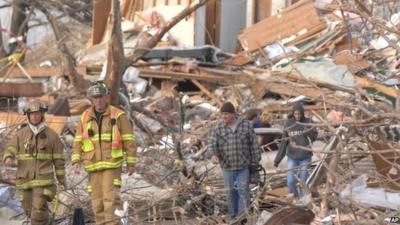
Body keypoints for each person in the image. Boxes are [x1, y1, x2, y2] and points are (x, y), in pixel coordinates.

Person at [71, 81, 137, 225]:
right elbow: (78, 141)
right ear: (92, 99)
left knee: (110, 201)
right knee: (97, 203)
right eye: (95, 97)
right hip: (93, 166)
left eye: (101, 96)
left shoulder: (118, 115)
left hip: (111, 165)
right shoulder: (85, 117)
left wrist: (131, 163)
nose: (99, 100)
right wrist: (76, 160)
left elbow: (129, 140)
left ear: (107, 97)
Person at [3, 100, 65, 225]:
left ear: (42, 114)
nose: (34, 116)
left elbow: (59, 159)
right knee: (29, 209)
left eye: (37, 114)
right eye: (32, 114)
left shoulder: (52, 136)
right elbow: (10, 147)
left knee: (38, 209)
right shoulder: (21, 134)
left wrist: (61, 178)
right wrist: (8, 157)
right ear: (28, 115)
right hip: (24, 180)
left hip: (43, 180)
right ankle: (46, 221)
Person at [208, 102, 261, 220]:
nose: (223, 117)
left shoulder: (245, 125)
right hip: (227, 168)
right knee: (231, 194)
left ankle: (242, 217)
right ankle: (233, 218)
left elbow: (254, 145)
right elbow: (212, 144)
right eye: (222, 114)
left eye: (226, 114)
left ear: (233, 114)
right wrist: (213, 155)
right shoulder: (219, 128)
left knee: (243, 193)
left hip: (243, 167)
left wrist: (255, 162)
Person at [274, 102, 318, 198]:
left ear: (302, 113)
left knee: (303, 182)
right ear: (293, 113)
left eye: (299, 114)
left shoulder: (308, 121)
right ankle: (296, 199)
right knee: (290, 181)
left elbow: (315, 136)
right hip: (292, 156)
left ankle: (304, 202)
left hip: (305, 156)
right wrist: (277, 160)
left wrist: (307, 132)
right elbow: (283, 143)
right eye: (295, 114)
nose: (297, 116)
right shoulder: (289, 123)